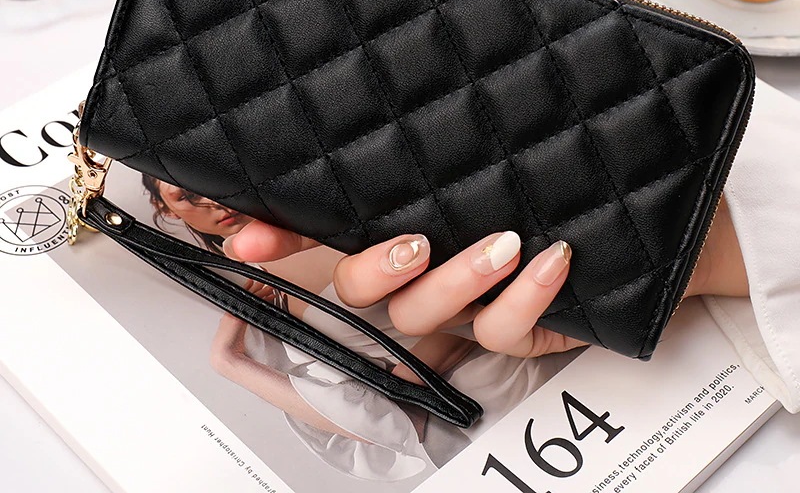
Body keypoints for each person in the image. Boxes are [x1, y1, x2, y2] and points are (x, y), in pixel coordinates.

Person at [219, 79, 800, 416]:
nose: (200, 201)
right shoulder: (285, 271)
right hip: (521, 376)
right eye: (181, 201)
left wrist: (696, 243)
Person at [142, 174, 572, 479]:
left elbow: (382, 409)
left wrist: (400, 384)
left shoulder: (323, 210)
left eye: (201, 181)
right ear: (164, 208)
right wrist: (228, 359)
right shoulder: (259, 298)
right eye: (185, 196)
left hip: (530, 377)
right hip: (474, 435)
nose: (211, 203)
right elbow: (367, 426)